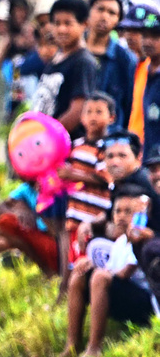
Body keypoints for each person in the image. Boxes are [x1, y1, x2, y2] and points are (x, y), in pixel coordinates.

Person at [64, 183, 155, 357]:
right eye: (117, 211)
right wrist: (89, 264)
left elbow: (123, 273)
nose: (121, 217)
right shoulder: (120, 242)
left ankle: (94, 349)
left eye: (128, 212)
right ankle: (72, 345)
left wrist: (99, 271)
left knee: (100, 276)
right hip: (121, 294)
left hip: (145, 304)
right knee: (80, 273)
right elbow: (110, 270)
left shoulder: (143, 242)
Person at [30, 0, 97, 135]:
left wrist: (48, 136)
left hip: (64, 145)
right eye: (57, 23)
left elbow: (78, 110)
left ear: (84, 24)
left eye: (68, 23)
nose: (61, 29)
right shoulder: (56, 59)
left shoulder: (83, 61)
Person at [62, 92, 117, 255]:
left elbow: (104, 179)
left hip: (94, 219)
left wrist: (72, 175)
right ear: (82, 117)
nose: (93, 117)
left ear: (111, 118)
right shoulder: (76, 145)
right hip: (75, 213)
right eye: (89, 112)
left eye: (99, 112)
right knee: (74, 257)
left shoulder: (107, 148)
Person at [86, 0, 138, 124]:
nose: (104, 16)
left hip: (111, 137)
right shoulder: (74, 51)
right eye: (100, 9)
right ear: (89, 12)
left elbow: (128, 105)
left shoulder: (126, 60)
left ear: (118, 21)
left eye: (112, 13)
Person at [117, 0, 160, 149]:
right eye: (127, 29)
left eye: (136, 30)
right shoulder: (135, 65)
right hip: (136, 148)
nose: (130, 36)